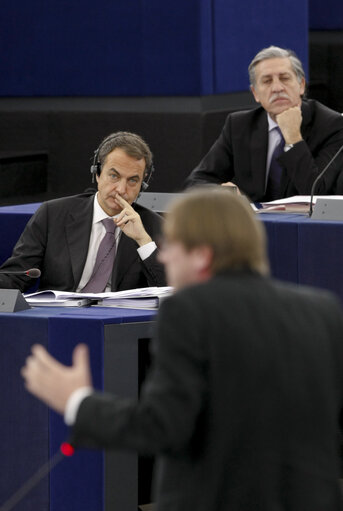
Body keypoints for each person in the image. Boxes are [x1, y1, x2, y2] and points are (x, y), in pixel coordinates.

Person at [22, 188, 343, 511]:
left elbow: (162, 427)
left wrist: (78, 401)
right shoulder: (322, 310)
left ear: (201, 254)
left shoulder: (188, 311)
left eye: (172, 246)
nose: (163, 256)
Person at [0, 131, 166, 292]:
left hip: (118, 318)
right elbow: (16, 276)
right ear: (97, 174)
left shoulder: (155, 228)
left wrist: (143, 241)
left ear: (142, 185)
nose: (121, 189)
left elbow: (173, 293)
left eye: (132, 180)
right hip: (60, 315)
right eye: (114, 176)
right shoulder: (53, 215)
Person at [185, 46, 343, 202]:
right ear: (255, 93)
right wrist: (220, 192)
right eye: (267, 81)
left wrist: (293, 138)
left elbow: (318, 194)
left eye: (284, 78)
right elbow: (195, 183)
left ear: (301, 85)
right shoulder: (239, 126)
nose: (277, 88)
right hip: (250, 224)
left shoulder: (331, 125)